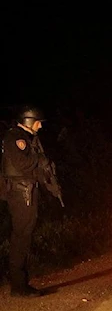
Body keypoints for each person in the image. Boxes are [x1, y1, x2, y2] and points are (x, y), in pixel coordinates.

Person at [2, 104, 52, 297]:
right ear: (30, 122)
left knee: (24, 235)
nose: (40, 127)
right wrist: (39, 159)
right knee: (21, 236)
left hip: (25, 190)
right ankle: (18, 286)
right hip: (20, 192)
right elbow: (22, 164)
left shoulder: (24, 138)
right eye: (38, 123)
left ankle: (21, 283)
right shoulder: (15, 138)